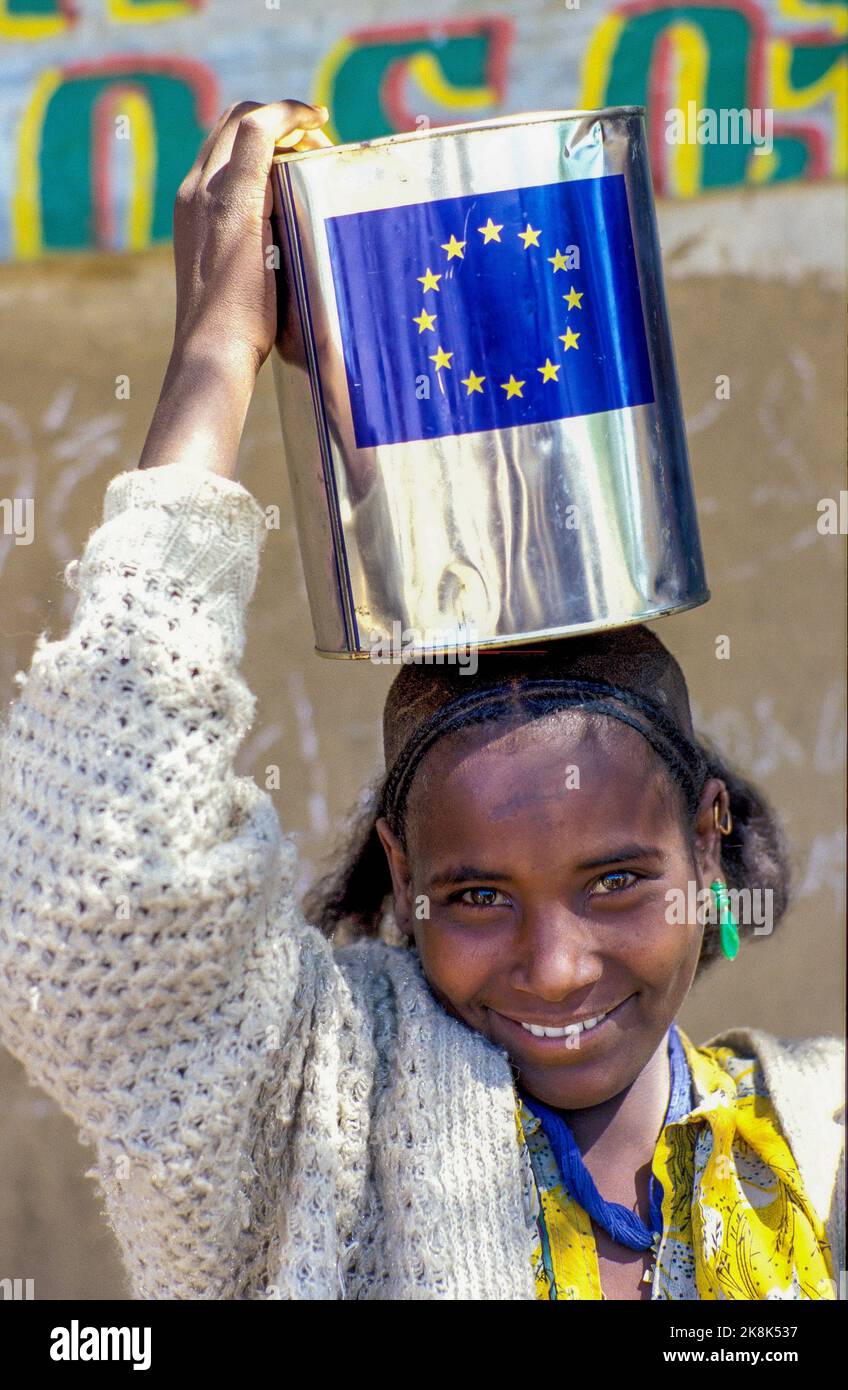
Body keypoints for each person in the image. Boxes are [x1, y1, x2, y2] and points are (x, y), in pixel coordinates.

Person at [0, 101, 842, 1302]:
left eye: (615, 879)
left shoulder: (813, 1152)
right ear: (400, 874)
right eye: (477, 895)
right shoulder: (302, 1132)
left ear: (705, 842)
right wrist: (214, 356)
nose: (553, 968)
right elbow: (93, 909)